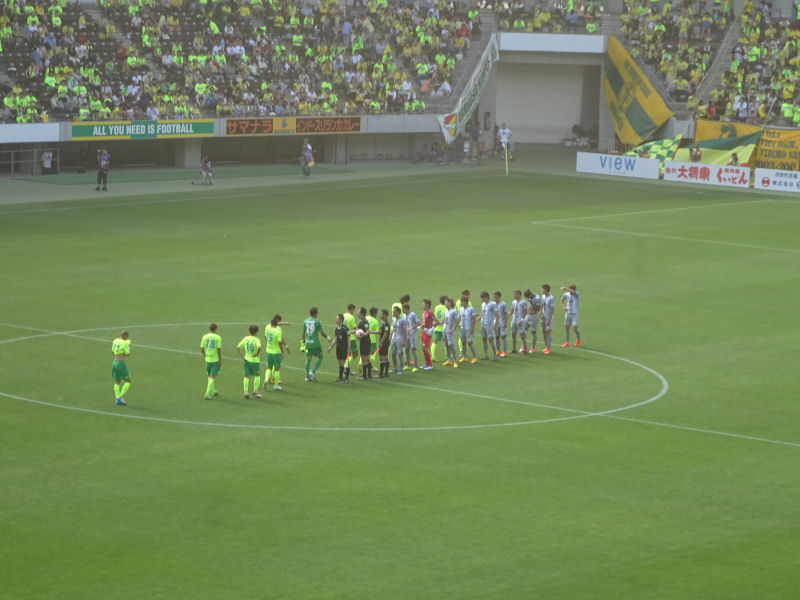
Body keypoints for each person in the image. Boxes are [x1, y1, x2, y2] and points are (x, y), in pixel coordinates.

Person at [302, 306, 331, 381]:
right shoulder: (317, 321)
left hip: (307, 344)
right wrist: (327, 337)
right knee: (320, 357)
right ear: (315, 313)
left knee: (308, 359)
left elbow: (303, 334)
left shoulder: (305, 321)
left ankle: (307, 376)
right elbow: (322, 333)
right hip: (315, 344)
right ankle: (313, 371)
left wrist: (303, 345)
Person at [264, 314, 289, 390]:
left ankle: (266, 380)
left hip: (268, 350)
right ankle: (276, 386)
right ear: (277, 322)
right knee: (277, 369)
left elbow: (265, 337)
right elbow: (280, 342)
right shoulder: (278, 331)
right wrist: (283, 352)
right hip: (276, 352)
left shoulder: (267, 328)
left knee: (269, 368)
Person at [237, 325, 263, 398]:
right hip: (254, 361)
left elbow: (238, 347)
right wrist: (256, 354)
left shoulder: (246, 338)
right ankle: (255, 391)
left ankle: (246, 392)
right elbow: (259, 348)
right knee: (257, 375)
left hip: (246, 360)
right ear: (256, 332)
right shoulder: (257, 339)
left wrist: (243, 356)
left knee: (246, 376)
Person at [200, 322, 221, 399]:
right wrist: (220, 360)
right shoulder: (218, 337)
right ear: (216, 329)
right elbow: (218, 350)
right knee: (212, 377)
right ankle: (207, 394)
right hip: (214, 360)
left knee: (209, 376)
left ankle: (213, 391)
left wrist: (205, 355)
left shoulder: (204, 336)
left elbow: (202, 348)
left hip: (207, 359)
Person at [327, 314, 350, 383]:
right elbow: (336, 339)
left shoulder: (345, 329)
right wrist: (330, 347)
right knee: (340, 362)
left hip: (344, 348)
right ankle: (340, 377)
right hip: (338, 348)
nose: (336, 320)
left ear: (341, 320)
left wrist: (348, 348)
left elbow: (348, 339)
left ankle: (346, 379)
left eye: (337, 319)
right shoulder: (336, 329)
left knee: (345, 363)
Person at [111, 330, 132, 405]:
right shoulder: (125, 343)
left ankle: (117, 398)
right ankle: (120, 397)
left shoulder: (115, 340)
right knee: (128, 381)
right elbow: (128, 354)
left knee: (117, 381)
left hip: (115, 362)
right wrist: (129, 347)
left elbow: (112, 352)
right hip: (120, 364)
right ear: (125, 336)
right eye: (127, 336)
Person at [458, 295, 479, 364]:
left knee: (470, 343)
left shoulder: (471, 309)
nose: (461, 303)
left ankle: (475, 357)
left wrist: (472, 328)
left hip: (468, 328)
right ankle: (464, 357)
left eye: (462, 302)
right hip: (462, 328)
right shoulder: (461, 309)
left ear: (466, 302)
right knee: (463, 343)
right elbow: (460, 318)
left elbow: (474, 319)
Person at [479, 291, 498, 360]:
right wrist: (476, 319)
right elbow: (482, 314)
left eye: (483, 298)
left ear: (487, 297)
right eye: (481, 298)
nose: (482, 299)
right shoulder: (483, 304)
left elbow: (497, 314)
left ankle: (495, 355)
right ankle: (486, 355)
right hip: (483, 323)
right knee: (484, 339)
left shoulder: (492, 304)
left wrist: (495, 324)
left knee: (490, 339)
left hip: (489, 324)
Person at [441, 297, 460, 368]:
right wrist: (437, 322)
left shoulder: (453, 311)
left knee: (451, 346)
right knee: (446, 345)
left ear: (450, 303)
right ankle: (449, 360)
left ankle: (455, 361)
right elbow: (443, 321)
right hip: (444, 331)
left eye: (446, 302)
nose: (445, 304)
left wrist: (453, 329)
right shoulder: (446, 311)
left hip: (449, 332)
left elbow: (457, 320)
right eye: (444, 302)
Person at [356, 307, 373, 379]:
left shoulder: (364, 321)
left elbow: (368, 331)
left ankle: (365, 376)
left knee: (364, 358)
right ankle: (369, 375)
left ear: (362, 313)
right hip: (364, 341)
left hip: (365, 342)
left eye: (358, 312)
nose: (357, 313)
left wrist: (363, 335)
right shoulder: (361, 321)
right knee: (367, 358)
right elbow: (357, 330)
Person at [510, 289, 529, 354]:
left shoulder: (523, 302)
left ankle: (525, 349)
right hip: (514, 320)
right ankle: (514, 349)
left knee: (522, 334)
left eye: (515, 294)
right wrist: (505, 314)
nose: (514, 295)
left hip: (520, 321)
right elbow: (512, 311)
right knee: (513, 334)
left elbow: (526, 312)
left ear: (519, 295)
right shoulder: (513, 302)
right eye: (514, 294)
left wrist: (521, 320)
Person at [390, 305, 408, 375]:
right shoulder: (393, 319)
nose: (393, 313)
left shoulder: (403, 320)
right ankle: (395, 368)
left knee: (400, 353)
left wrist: (404, 340)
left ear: (398, 312)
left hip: (400, 338)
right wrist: (390, 337)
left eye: (394, 312)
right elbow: (393, 329)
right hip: (394, 338)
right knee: (392, 353)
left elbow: (405, 330)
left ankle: (401, 369)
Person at [402, 303, 420, 372]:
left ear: (407, 309)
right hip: (406, 336)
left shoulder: (412, 315)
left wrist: (411, 328)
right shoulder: (403, 316)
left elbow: (418, 323)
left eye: (403, 309)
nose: (402, 310)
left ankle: (416, 366)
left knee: (413, 350)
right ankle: (408, 365)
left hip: (412, 335)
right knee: (406, 349)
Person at [343, 303, 358, 378]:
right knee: (355, 354)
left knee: (347, 354)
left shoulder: (344, 315)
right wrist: (358, 331)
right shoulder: (351, 317)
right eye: (353, 310)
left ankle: (347, 369)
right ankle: (345, 366)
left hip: (344, 338)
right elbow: (355, 329)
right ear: (351, 309)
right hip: (351, 338)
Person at [523, 289, 540, 354]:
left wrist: (532, 303)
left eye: (527, 296)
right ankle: (524, 345)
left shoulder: (537, 298)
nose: (527, 298)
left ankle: (533, 347)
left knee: (533, 332)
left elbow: (538, 309)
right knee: (523, 330)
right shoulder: (528, 298)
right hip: (527, 316)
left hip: (534, 317)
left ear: (530, 294)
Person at [431, 295, 447, 362]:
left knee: (434, 342)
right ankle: (446, 357)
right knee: (446, 343)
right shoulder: (446, 308)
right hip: (444, 328)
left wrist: (435, 322)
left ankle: (433, 356)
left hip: (437, 328)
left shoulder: (437, 307)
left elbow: (434, 316)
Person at [420, 299, 435, 370]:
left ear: (427, 305)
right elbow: (423, 322)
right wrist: (421, 326)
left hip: (427, 333)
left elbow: (436, 321)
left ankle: (430, 365)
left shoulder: (430, 313)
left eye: (423, 304)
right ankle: (427, 364)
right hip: (423, 332)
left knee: (425, 348)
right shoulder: (424, 313)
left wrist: (431, 329)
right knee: (423, 349)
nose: (422, 305)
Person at [540, 284, 555, 354]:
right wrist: (541, 313)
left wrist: (549, 319)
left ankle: (548, 349)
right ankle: (546, 347)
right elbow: (542, 305)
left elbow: (552, 309)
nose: (542, 290)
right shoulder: (543, 296)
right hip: (543, 317)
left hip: (548, 317)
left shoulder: (551, 298)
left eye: (543, 289)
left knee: (548, 332)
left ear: (546, 290)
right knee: (544, 332)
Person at [493, 290, 509, 357]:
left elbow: (506, 314)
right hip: (495, 323)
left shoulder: (503, 304)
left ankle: (504, 351)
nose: (494, 298)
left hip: (502, 323)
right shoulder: (493, 304)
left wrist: (505, 322)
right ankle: (498, 350)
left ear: (499, 297)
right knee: (497, 337)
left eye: (496, 297)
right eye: (494, 297)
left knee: (503, 337)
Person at [377, 309, 392, 377]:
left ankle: (381, 373)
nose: (380, 315)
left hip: (384, 342)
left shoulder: (386, 323)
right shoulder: (384, 323)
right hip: (386, 342)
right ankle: (386, 373)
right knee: (385, 356)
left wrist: (381, 342)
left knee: (382, 356)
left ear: (385, 315)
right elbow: (380, 332)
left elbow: (385, 334)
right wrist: (370, 331)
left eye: (381, 314)